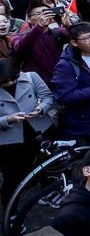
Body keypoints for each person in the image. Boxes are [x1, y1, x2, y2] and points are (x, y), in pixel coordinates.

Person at [0, 57, 54, 205]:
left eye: (14, 79)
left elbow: (48, 97)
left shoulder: (31, 77)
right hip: (10, 140)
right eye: (5, 82)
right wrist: (8, 119)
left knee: (46, 166)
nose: (11, 83)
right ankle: (11, 211)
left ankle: (48, 194)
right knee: (13, 177)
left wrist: (41, 108)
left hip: (38, 130)